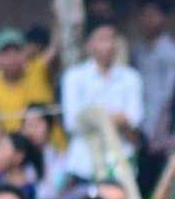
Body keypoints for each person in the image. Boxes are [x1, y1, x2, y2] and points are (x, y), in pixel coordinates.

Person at [60, 19, 143, 183]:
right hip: (83, 164)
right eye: (102, 39)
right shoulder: (74, 77)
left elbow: (135, 119)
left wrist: (97, 117)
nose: (109, 45)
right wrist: (113, 118)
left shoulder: (131, 77)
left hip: (121, 161)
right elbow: (72, 122)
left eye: (112, 39)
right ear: (89, 44)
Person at [131, 0, 175, 147]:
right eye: (144, 15)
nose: (148, 20)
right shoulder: (138, 51)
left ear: (164, 18)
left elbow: (170, 94)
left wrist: (160, 126)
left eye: (153, 15)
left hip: (162, 121)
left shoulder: (173, 52)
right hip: (140, 120)